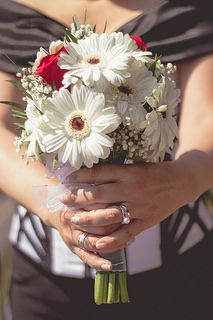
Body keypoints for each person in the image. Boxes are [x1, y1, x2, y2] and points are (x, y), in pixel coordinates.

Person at [0, 0, 213, 319]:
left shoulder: (187, 7)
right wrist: (59, 209)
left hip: (179, 269)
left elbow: (205, 117)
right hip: (44, 285)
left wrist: (180, 181)